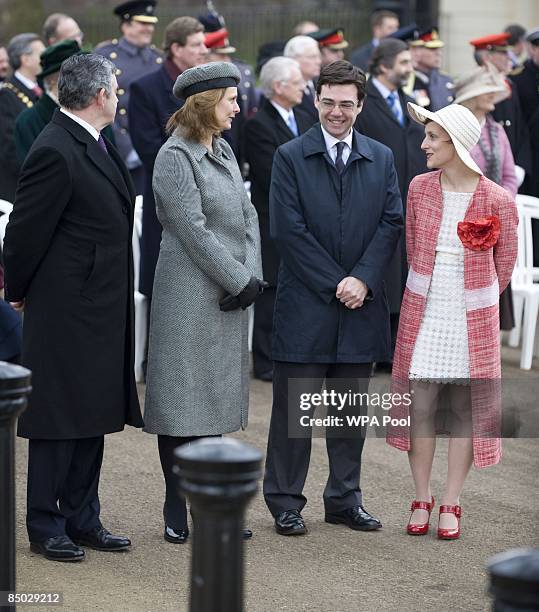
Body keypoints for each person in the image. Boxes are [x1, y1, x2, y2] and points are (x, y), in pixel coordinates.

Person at [3, 53, 143, 562]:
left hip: (99, 303)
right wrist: (17, 288)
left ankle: (84, 518)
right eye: (115, 89)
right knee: (58, 417)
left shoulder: (92, 141)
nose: (119, 96)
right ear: (100, 95)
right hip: (66, 307)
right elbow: (23, 233)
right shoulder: (56, 148)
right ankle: (46, 523)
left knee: (92, 413)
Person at [263, 60, 402, 536]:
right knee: (293, 414)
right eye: (328, 102)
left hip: (359, 305)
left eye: (346, 104)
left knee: (348, 409)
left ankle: (344, 499)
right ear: (315, 100)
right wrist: (336, 282)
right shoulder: (290, 155)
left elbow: (390, 222)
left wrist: (362, 279)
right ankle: (285, 500)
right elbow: (287, 229)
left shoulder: (381, 157)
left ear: (361, 106)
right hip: (307, 302)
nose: (336, 112)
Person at [143, 62, 263, 544]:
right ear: (206, 102)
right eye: (231, 98)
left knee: (212, 400)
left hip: (228, 290)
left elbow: (248, 213)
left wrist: (249, 276)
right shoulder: (175, 155)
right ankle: (176, 504)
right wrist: (238, 278)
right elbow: (190, 229)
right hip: (189, 295)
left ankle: (209, 505)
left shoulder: (225, 148)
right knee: (181, 404)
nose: (238, 106)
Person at [387, 102, 518, 540]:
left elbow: (506, 264)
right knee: (418, 405)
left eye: (432, 137)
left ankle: (452, 501)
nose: (423, 144)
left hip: (471, 317)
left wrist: (476, 303)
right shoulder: (419, 188)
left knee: (465, 409)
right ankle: (421, 496)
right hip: (424, 307)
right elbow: (412, 245)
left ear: (456, 144)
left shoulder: (497, 198)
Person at [355, 38, 428, 366]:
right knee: (382, 273)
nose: (409, 68)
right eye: (403, 62)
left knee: (406, 274)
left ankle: (400, 348)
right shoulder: (365, 105)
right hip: (376, 200)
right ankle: (379, 350)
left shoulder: (409, 102)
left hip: (408, 201)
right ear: (383, 65)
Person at [244, 56, 312, 381]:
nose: (303, 88)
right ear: (278, 87)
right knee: (269, 290)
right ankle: (265, 359)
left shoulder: (303, 115)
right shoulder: (259, 125)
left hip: (302, 216)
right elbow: (271, 173)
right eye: (297, 83)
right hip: (271, 217)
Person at [129, 16, 206, 300]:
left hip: (207, 200)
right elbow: (149, 148)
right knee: (166, 292)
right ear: (176, 48)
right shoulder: (145, 88)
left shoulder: (209, 88)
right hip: (167, 199)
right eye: (196, 44)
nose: (203, 50)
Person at [454, 65, 518, 330]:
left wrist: (500, 208)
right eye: (486, 90)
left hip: (494, 222)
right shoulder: (454, 130)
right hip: (460, 219)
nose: (493, 94)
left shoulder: (497, 131)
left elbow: (510, 177)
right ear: (471, 95)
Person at [95, 0, 163, 194]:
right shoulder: (106, 56)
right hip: (122, 149)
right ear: (125, 25)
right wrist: (126, 149)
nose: (149, 28)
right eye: (142, 23)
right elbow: (100, 105)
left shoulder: (158, 58)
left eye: (151, 24)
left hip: (156, 149)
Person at [15, 40, 115, 164]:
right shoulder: (28, 121)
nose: (85, 78)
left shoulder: (96, 109)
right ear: (53, 80)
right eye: (77, 73)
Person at [470, 32, 532, 182]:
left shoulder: (509, 84)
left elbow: (520, 127)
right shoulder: (475, 87)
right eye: (502, 53)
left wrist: (520, 164)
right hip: (485, 163)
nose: (508, 57)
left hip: (509, 165)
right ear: (487, 58)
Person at [0, 33, 45, 201]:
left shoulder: (39, 90)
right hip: (23, 189)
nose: (45, 57)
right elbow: (10, 149)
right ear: (25, 59)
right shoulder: (6, 95)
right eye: (41, 54)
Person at [411, 27, 454, 111]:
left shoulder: (446, 81)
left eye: (439, 49)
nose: (439, 53)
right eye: (432, 49)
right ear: (416, 52)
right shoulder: (408, 81)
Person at [283, 35, 322, 124]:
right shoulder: (286, 89)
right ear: (293, 59)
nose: (318, 61)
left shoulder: (320, 84)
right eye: (312, 57)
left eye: (319, 56)